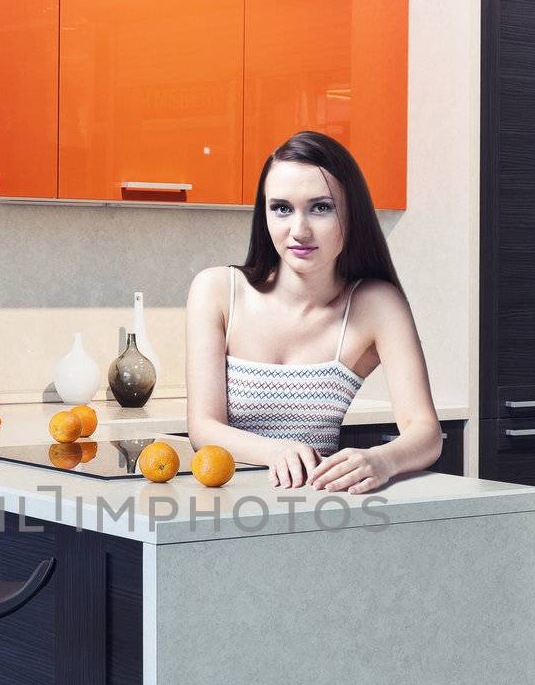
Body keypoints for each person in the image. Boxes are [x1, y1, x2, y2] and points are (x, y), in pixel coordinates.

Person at [185, 131, 443, 493]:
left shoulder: (376, 304)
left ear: (352, 214)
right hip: (229, 504)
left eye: (321, 207)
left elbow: (426, 432)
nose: (299, 230)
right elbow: (203, 428)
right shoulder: (216, 291)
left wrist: (381, 460)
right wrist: (278, 451)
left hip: (320, 508)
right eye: (282, 208)